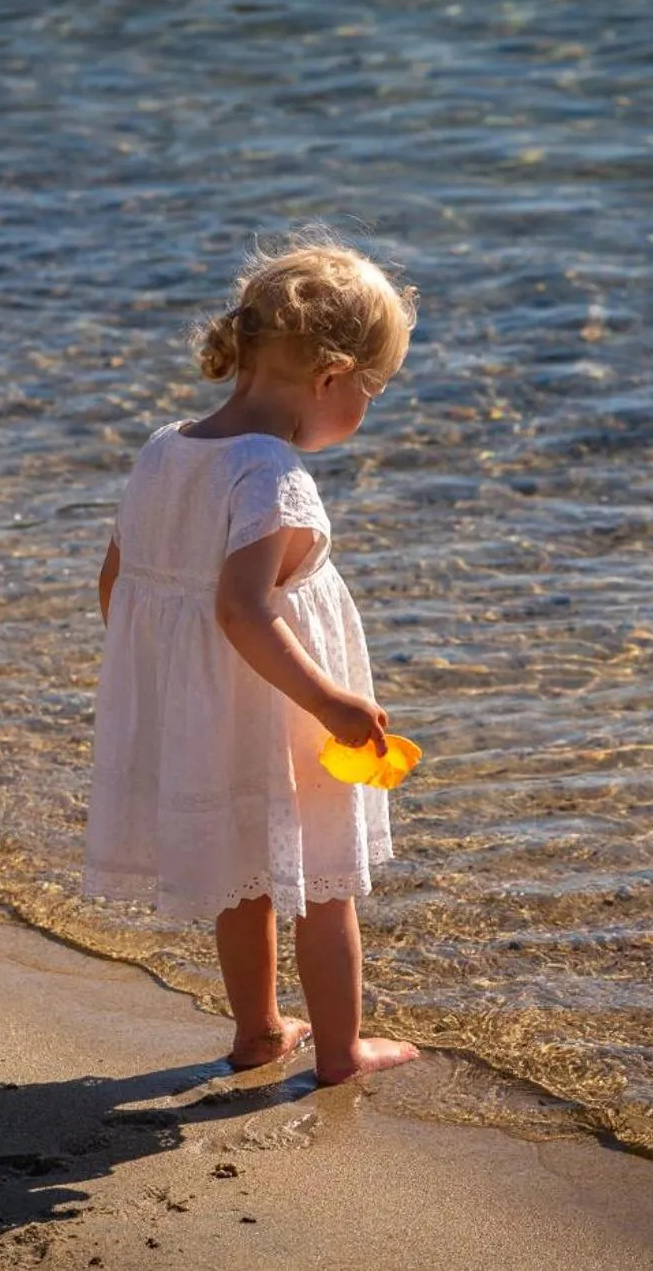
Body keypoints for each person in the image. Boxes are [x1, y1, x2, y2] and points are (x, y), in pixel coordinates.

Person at [84, 231, 422, 1085]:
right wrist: (331, 703)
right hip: (283, 711)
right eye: (373, 388)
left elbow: (118, 585)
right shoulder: (271, 473)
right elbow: (243, 607)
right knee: (324, 878)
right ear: (330, 377)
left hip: (211, 715)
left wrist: (170, 688)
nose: (368, 407)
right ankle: (342, 1050)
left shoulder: (167, 447)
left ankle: (260, 1031)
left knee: (245, 880)